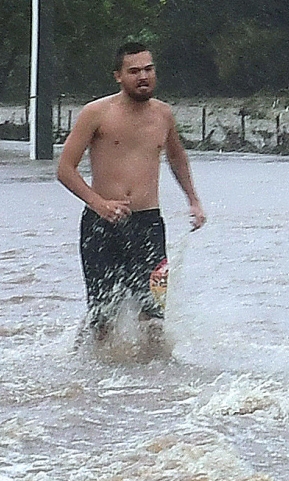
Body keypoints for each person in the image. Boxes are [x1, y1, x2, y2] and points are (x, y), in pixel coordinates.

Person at [57, 41, 206, 340]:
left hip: (149, 226)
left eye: (149, 70)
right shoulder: (96, 113)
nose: (143, 77)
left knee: (154, 318)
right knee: (103, 317)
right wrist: (99, 204)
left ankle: (153, 383)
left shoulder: (163, 115)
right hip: (102, 226)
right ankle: (88, 378)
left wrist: (193, 200)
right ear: (118, 76)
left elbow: (176, 157)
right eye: (134, 71)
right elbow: (64, 169)